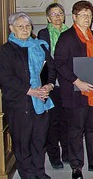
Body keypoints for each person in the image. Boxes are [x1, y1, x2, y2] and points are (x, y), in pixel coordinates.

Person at [54, 0, 93, 178]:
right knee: (76, 130)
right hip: (76, 92)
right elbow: (60, 64)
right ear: (74, 17)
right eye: (83, 15)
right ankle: (76, 166)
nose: (87, 18)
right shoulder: (67, 37)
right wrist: (77, 82)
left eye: (89, 15)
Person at [0, 12, 56, 179]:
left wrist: (49, 85)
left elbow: (51, 68)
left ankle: (40, 172)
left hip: (41, 101)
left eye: (28, 26)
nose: (25, 30)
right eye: (20, 27)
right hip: (19, 103)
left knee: (39, 141)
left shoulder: (40, 46)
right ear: (12, 29)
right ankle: (28, 175)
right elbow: (5, 77)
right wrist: (30, 90)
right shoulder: (6, 50)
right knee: (23, 143)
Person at [37, 3, 70, 170]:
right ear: (48, 18)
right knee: (52, 123)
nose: (58, 17)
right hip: (51, 83)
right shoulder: (43, 34)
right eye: (54, 14)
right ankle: (54, 156)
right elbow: (46, 59)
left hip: (67, 83)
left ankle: (67, 153)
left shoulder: (70, 32)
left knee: (67, 121)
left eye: (60, 13)